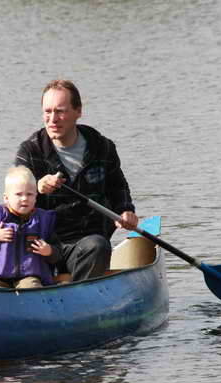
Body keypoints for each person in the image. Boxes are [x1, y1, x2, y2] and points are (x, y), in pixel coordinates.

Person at [15, 79, 138, 281]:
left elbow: (118, 188)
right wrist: (36, 189)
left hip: (89, 244)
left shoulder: (102, 147)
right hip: (43, 245)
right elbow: (13, 203)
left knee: (98, 246)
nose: (53, 119)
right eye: (47, 112)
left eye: (60, 111)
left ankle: (78, 291)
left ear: (78, 111)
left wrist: (125, 211)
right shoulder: (29, 151)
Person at [0, 166, 62, 288]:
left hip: (29, 277)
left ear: (36, 197)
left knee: (32, 286)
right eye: (18, 194)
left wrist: (49, 251)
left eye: (29, 194)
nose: (24, 198)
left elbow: (58, 253)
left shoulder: (43, 221)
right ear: (6, 198)